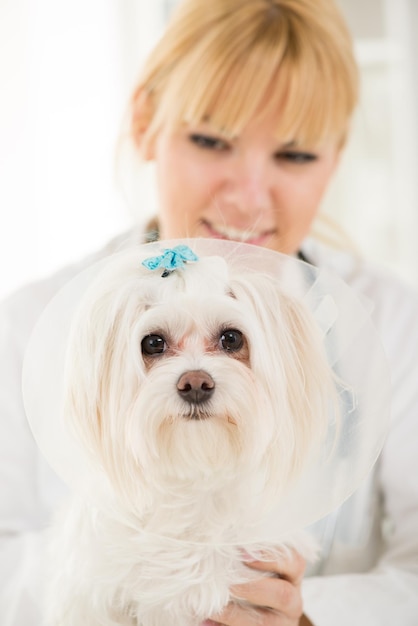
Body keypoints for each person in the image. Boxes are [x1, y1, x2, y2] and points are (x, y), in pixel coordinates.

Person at [1, 0, 417, 624]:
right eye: (210, 140)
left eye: (295, 155)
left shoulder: (393, 322)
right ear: (144, 121)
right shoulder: (29, 324)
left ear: (337, 155)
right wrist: (141, 585)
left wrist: (304, 611)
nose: (249, 197)